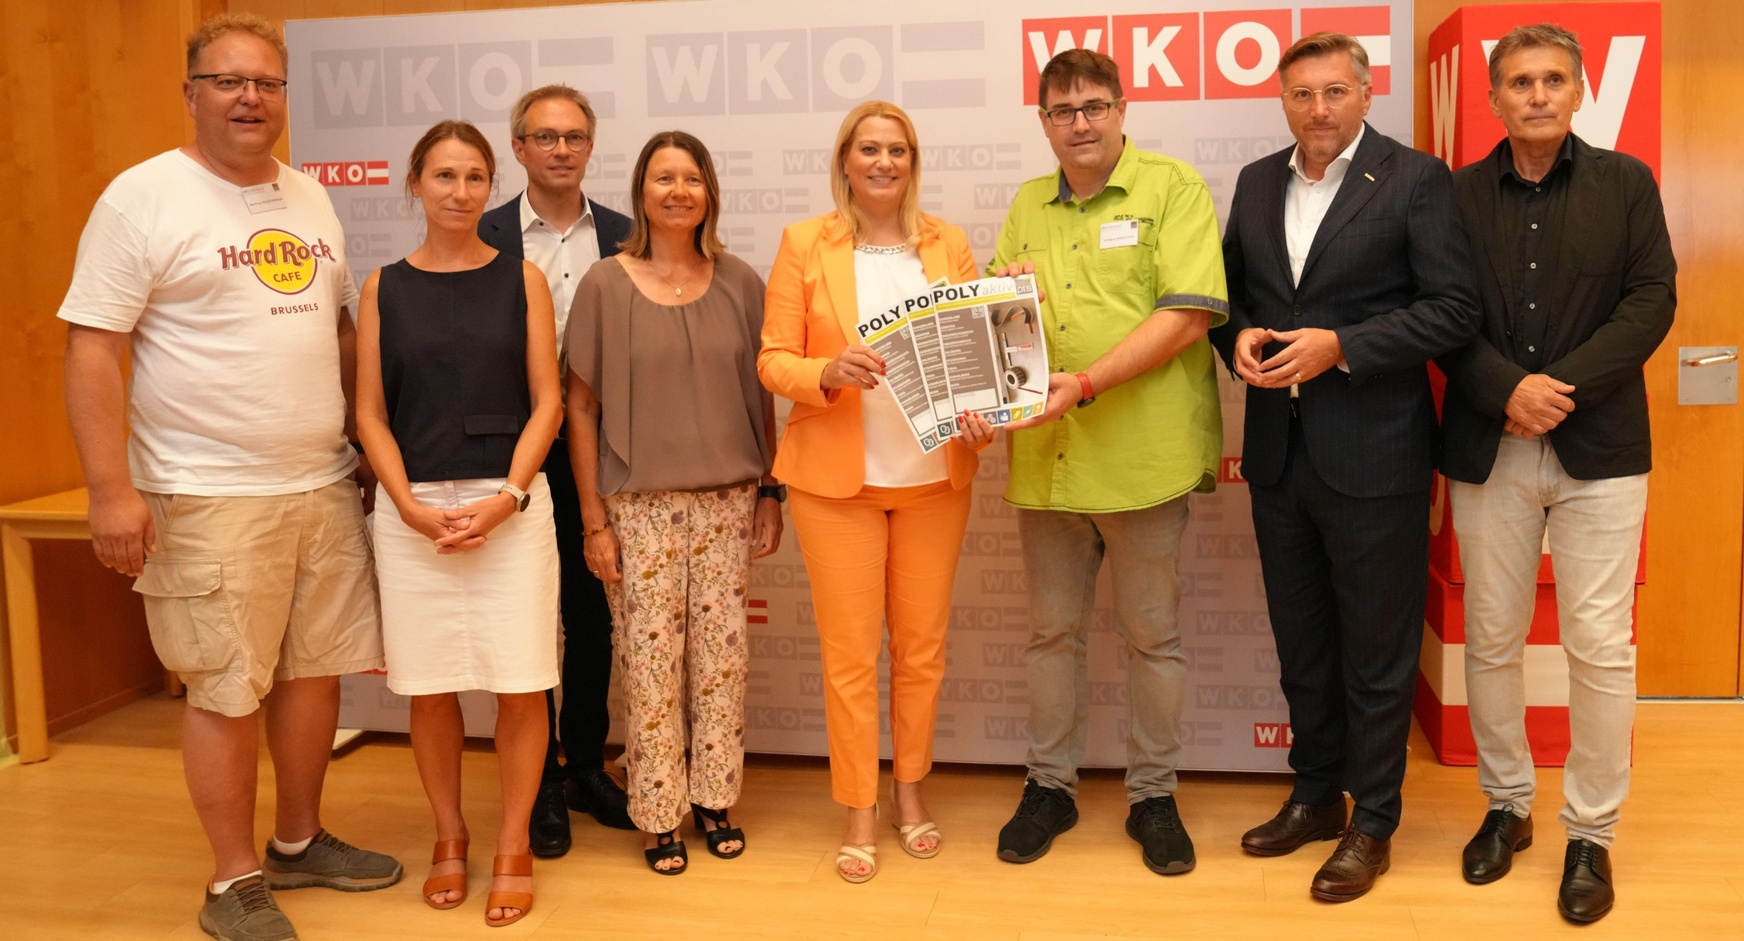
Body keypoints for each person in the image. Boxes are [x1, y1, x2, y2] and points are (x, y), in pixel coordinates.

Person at [57, 14, 401, 940]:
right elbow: (93, 349)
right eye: (229, 81)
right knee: (223, 686)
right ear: (191, 93)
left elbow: (334, 332)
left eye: (268, 83)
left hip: (321, 482)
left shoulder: (311, 196)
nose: (251, 98)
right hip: (205, 491)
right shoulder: (144, 198)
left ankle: (296, 839)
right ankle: (232, 879)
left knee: (313, 673)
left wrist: (363, 444)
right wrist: (109, 488)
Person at [1211, 32, 1480, 901]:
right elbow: (1234, 297)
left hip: (1377, 455)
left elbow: (1452, 309)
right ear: (1281, 101)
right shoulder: (1257, 183)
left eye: (1335, 92)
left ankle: (1374, 821)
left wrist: (1344, 347)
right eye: (1302, 94)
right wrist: (1239, 334)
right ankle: (1317, 794)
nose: (1318, 109)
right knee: (1303, 644)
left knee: (1376, 651)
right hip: (1278, 458)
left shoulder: (1415, 179)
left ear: (1368, 94)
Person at [1439, 24, 1675, 924]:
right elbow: (1439, 309)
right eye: (1519, 82)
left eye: (1552, 80)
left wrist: (1555, 390)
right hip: (1486, 444)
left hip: (1599, 448)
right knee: (1492, 636)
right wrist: (1506, 389)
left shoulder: (1627, 183)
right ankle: (1507, 805)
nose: (1536, 95)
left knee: (1598, 646)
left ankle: (1592, 832)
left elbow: (1652, 297)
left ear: (1580, 92)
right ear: (1493, 99)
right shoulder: (1453, 195)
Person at [986, 49, 1230, 877]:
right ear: (1044, 121)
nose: (1080, 123)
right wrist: (1006, 300)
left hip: (1142, 458)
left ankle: (1153, 794)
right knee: (1052, 633)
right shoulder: (1027, 202)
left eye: (1094, 106)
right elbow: (997, 329)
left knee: (1151, 636)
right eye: (1062, 111)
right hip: (1049, 459)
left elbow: (1190, 317)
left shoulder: (1173, 188)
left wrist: (1084, 381)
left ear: (1123, 109)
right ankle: (1049, 785)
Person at [759, 101, 994, 884]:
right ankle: (859, 807)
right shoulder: (804, 243)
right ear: (847, 160)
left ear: (912, 160)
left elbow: (973, 353)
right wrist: (823, 372)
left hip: (934, 480)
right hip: (836, 483)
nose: (884, 161)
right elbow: (771, 359)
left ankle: (910, 792)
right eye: (870, 148)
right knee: (850, 657)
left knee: (921, 651)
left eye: (898, 149)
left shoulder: (948, 242)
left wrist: (982, 411)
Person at [356, 120, 563, 928]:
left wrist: (507, 497)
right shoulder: (382, 288)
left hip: (510, 508)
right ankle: (450, 833)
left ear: (490, 186)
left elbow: (546, 399)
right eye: (444, 175)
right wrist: (404, 502)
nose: (460, 190)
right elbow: (369, 412)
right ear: (415, 183)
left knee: (521, 682)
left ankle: (512, 841)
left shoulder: (525, 279)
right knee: (429, 683)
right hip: (413, 513)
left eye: (475, 176)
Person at [566, 130, 783, 875]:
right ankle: (658, 808)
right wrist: (595, 517)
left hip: (728, 499)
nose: (679, 190)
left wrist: (770, 491)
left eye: (692, 178)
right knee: (651, 661)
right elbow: (581, 406)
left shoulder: (742, 281)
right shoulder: (605, 283)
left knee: (723, 659)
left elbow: (762, 398)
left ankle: (717, 795)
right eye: (664, 177)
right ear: (642, 190)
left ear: (710, 192)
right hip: (639, 506)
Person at [478, 84, 636, 856]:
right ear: (518, 149)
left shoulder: (628, 234)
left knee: (594, 616)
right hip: (517, 455)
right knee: (530, 620)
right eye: (545, 137)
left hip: (605, 456)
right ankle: (537, 779)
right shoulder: (483, 232)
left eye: (575, 136)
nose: (561, 148)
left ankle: (585, 766)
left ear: (591, 146)